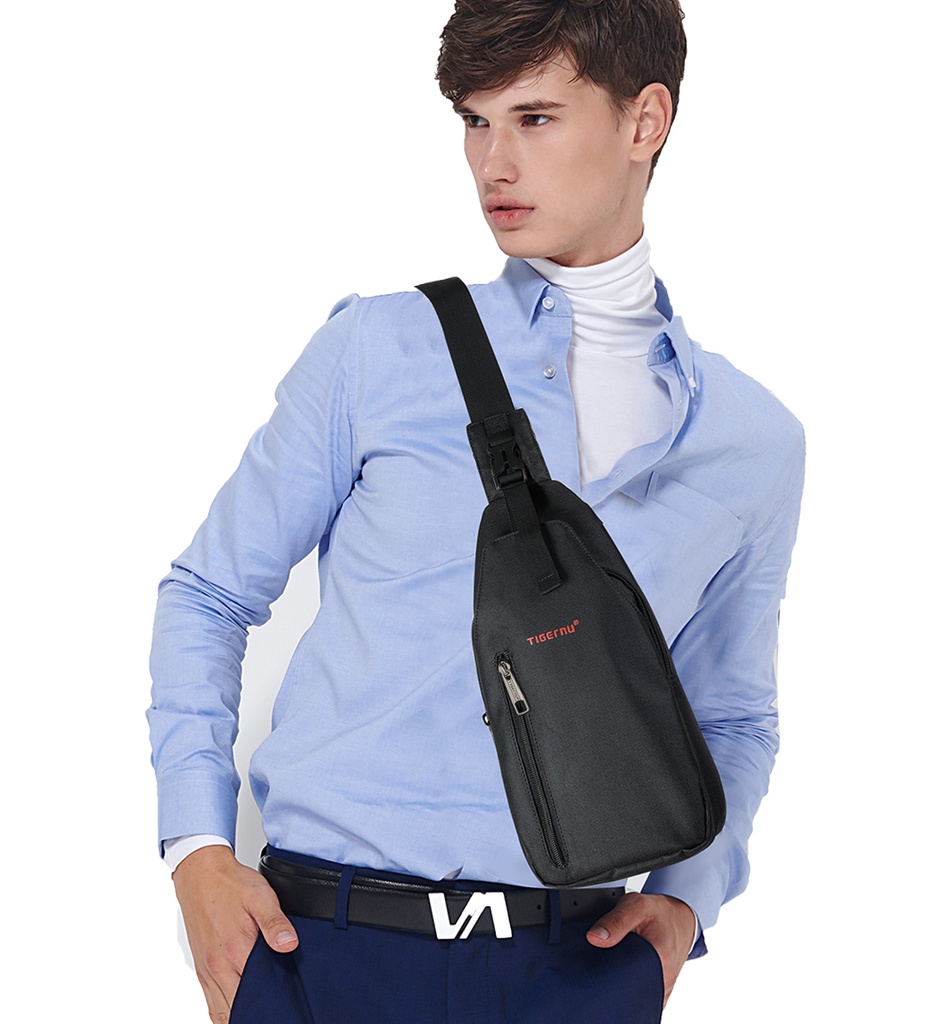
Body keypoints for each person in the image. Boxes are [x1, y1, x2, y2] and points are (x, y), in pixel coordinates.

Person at [148, 2, 804, 1022]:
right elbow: (208, 592)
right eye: (474, 121)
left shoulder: (750, 440)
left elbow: (731, 711)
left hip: (578, 965)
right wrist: (196, 851)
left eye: (534, 118)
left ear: (645, 121)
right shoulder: (380, 351)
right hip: (326, 953)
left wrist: (685, 902)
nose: (493, 163)